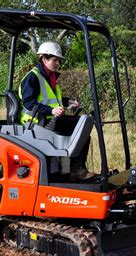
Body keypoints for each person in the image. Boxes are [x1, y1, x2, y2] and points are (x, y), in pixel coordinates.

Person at [19, 41, 90, 180]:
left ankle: (72, 170)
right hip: (36, 122)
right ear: (44, 59)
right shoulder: (32, 77)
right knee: (80, 127)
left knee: (83, 127)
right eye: (54, 59)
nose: (58, 63)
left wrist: (67, 101)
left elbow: (51, 99)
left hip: (49, 119)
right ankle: (75, 170)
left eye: (59, 60)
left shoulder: (50, 76)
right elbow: (28, 102)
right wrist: (50, 111)